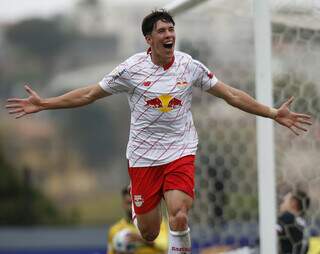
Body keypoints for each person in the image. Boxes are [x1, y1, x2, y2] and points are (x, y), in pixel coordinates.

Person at [6, 9, 312, 254]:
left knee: (179, 213)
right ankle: (142, 215)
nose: (169, 35)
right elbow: (88, 94)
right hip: (142, 157)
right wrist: (45, 103)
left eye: (171, 30)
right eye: (162, 31)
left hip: (180, 150)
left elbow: (230, 94)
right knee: (150, 232)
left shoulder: (189, 66)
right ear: (149, 40)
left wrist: (272, 112)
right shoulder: (131, 70)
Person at [108, 186, 168, 254]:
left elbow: (165, 245)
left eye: (134, 202)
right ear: (123, 204)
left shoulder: (158, 223)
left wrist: (141, 239)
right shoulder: (115, 230)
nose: (132, 206)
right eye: (129, 203)